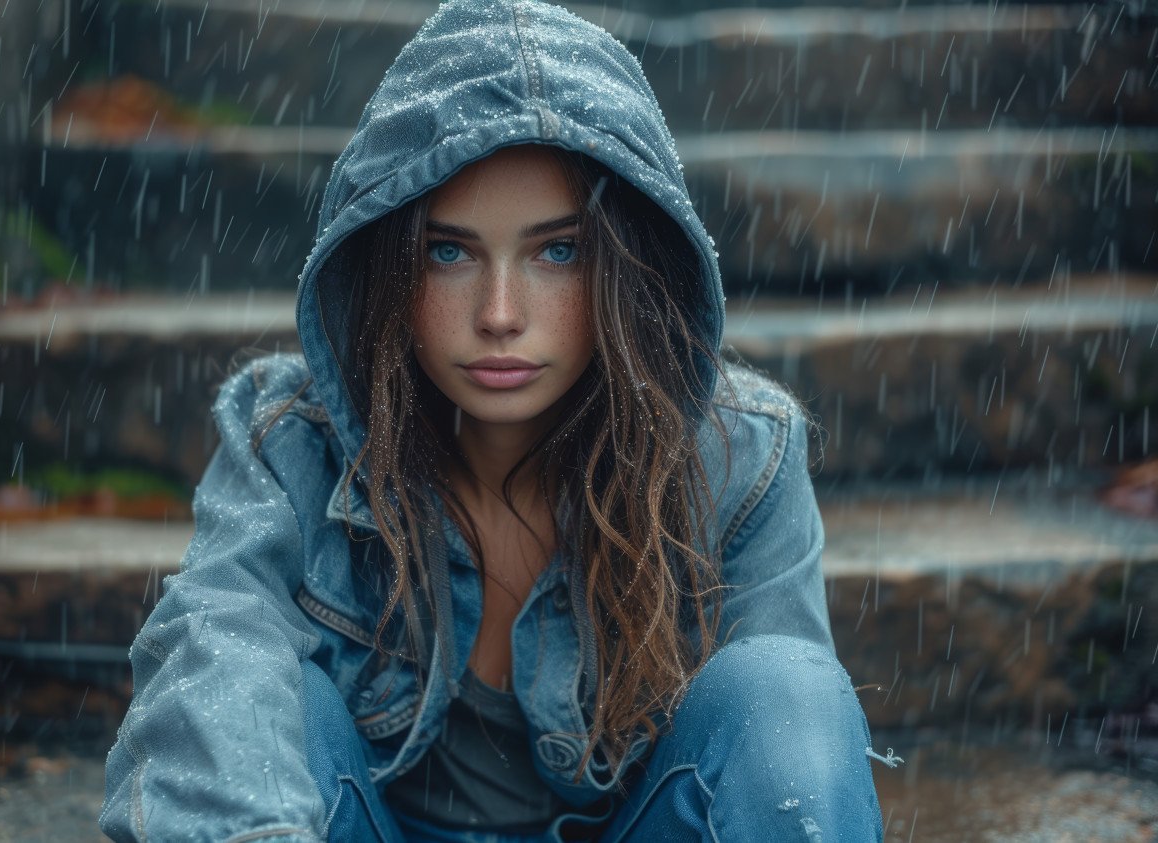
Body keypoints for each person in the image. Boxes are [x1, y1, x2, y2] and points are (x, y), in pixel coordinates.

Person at [100, 0, 885, 840]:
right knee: (261, 694)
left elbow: (787, 765)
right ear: (388, 262)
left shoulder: (740, 462)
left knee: (786, 688)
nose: (500, 313)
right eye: (449, 251)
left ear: (626, 265)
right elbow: (217, 646)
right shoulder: (293, 441)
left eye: (558, 250)